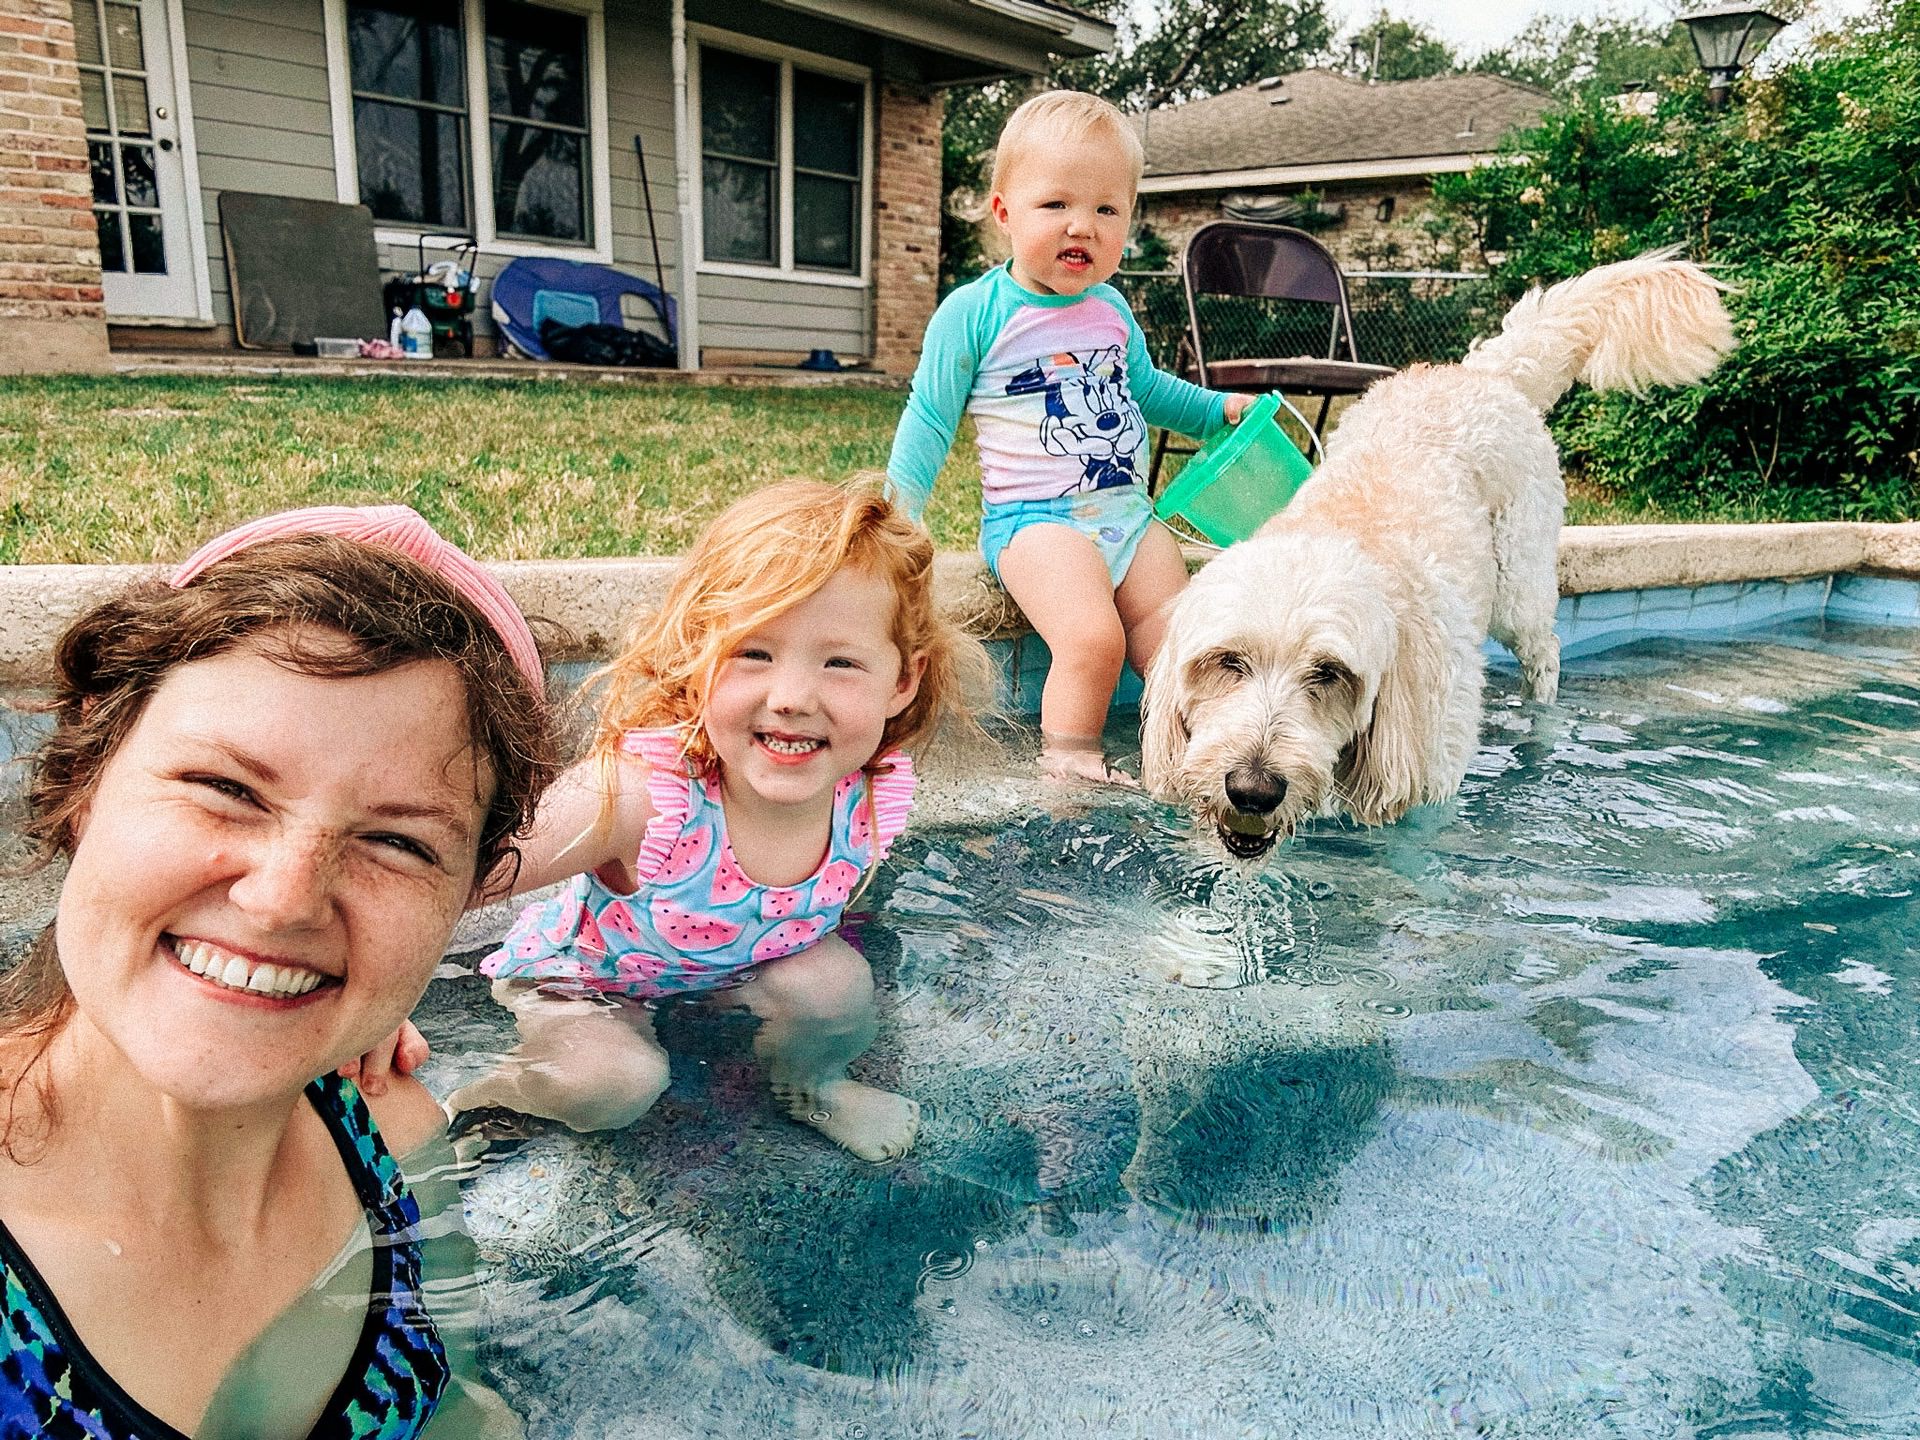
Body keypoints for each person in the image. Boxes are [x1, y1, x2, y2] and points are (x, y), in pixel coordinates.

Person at [0, 506, 558, 1439]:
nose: (283, 902)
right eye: (226, 789)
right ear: (86, 777)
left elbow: (461, 1404)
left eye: (397, 843)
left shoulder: (399, 1143)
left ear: (464, 898)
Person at [449, 480, 982, 1164]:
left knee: (839, 989)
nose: (791, 698)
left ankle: (812, 1083)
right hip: (588, 983)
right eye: (753, 653)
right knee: (613, 1083)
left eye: (841, 662)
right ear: (699, 657)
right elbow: (459, 873)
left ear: (902, 681)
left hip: (732, 970)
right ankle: (496, 1098)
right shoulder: (642, 797)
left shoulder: (865, 790)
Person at [885, 89, 1255, 785]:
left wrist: (1216, 412)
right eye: (1056, 204)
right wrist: (895, 517)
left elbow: (1147, 391)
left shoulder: (1111, 309)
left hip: (1128, 516)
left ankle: (1195, 758)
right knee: (1092, 640)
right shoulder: (975, 312)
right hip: (1037, 524)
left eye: (1106, 210)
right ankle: (1071, 763)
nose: (1081, 225)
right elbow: (930, 417)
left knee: (1179, 641)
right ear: (1005, 213)